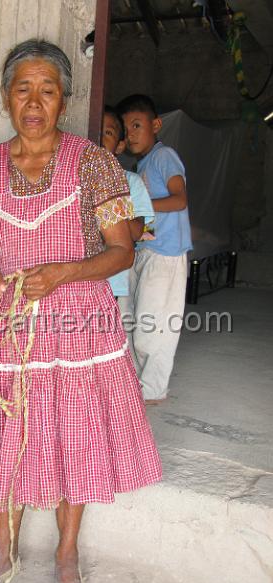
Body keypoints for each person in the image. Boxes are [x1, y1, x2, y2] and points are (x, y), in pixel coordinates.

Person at [0, 41, 162, 583]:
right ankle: (5, 549)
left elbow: (121, 252)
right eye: (23, 89)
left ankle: (66, 554)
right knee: (6, 439)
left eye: (48, 90)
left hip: (79, 328)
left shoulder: (94, 163)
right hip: (10, 328)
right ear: (6, 96)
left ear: (64, 101)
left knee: (74, 440)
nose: (34, 102)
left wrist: (66, 271)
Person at [115, 94, 192, 404]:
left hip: (167, 253)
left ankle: (153, 389)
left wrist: (137, 205)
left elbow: (180, 199)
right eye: (125, 127)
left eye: (137, 125)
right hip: (147, 249)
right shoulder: (141, 165)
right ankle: (140, 386)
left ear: (156, 124)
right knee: (136, 320)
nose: (130, 133)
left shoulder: (164, 156)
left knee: (155, 327)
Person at [101, 105, 155, 303]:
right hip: (73, 278)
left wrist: (106, 205)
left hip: (110, 280)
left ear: (120, 145)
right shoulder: (70, 178)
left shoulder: (131, 182)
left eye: (108, 132)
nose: (99, 137)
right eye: (95, 129)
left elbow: (139, 231)